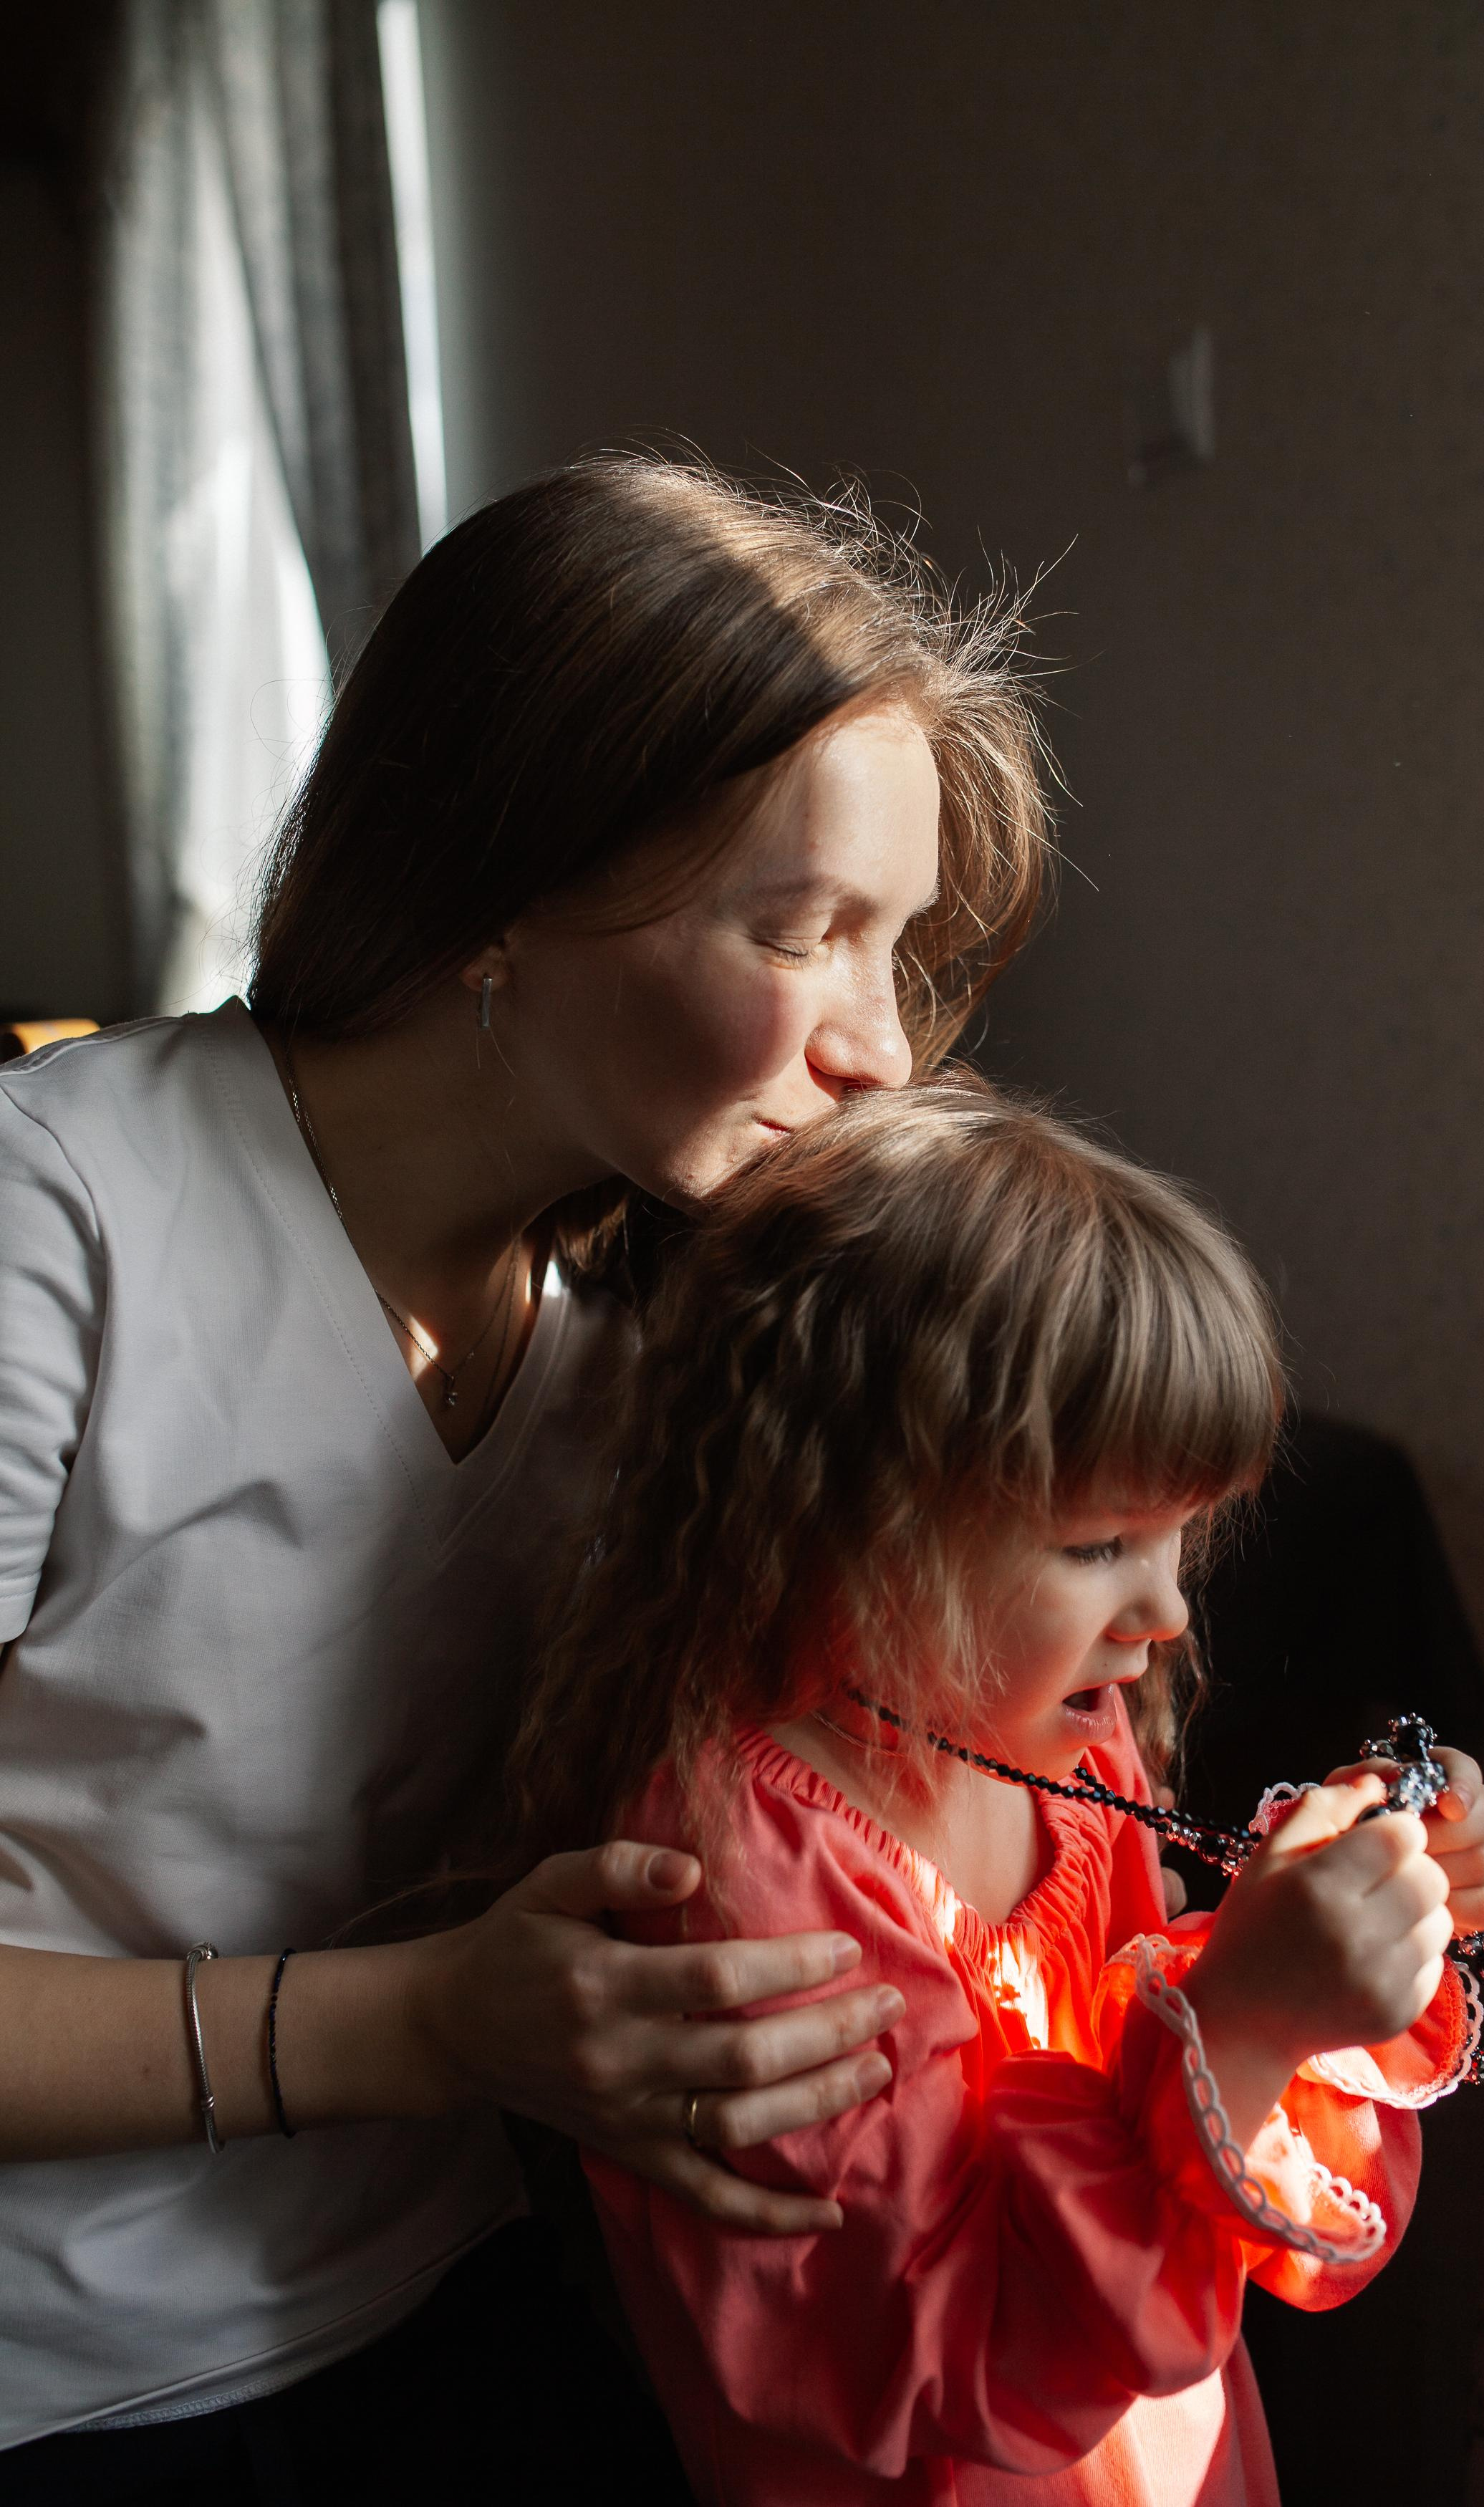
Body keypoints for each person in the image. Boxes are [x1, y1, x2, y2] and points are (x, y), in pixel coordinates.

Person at [0, 455, 1051, 2496]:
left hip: (450, 2287)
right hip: (73, 2368)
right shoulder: (65, 1224)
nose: (877, 1050)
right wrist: (433, 2031)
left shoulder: (645, 1306)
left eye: (893, 948)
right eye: (802, 930)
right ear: (507, 875)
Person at [512, 1079, 1484, 2507]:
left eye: (1182, 1535)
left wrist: (1319, 1945)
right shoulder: (742, 1874)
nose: (1166, 1608)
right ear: (854, 1520)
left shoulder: (1071, 1765)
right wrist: (1242, 2019)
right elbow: (937, 2354)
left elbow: (1167, 2131)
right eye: (1102, 1542)